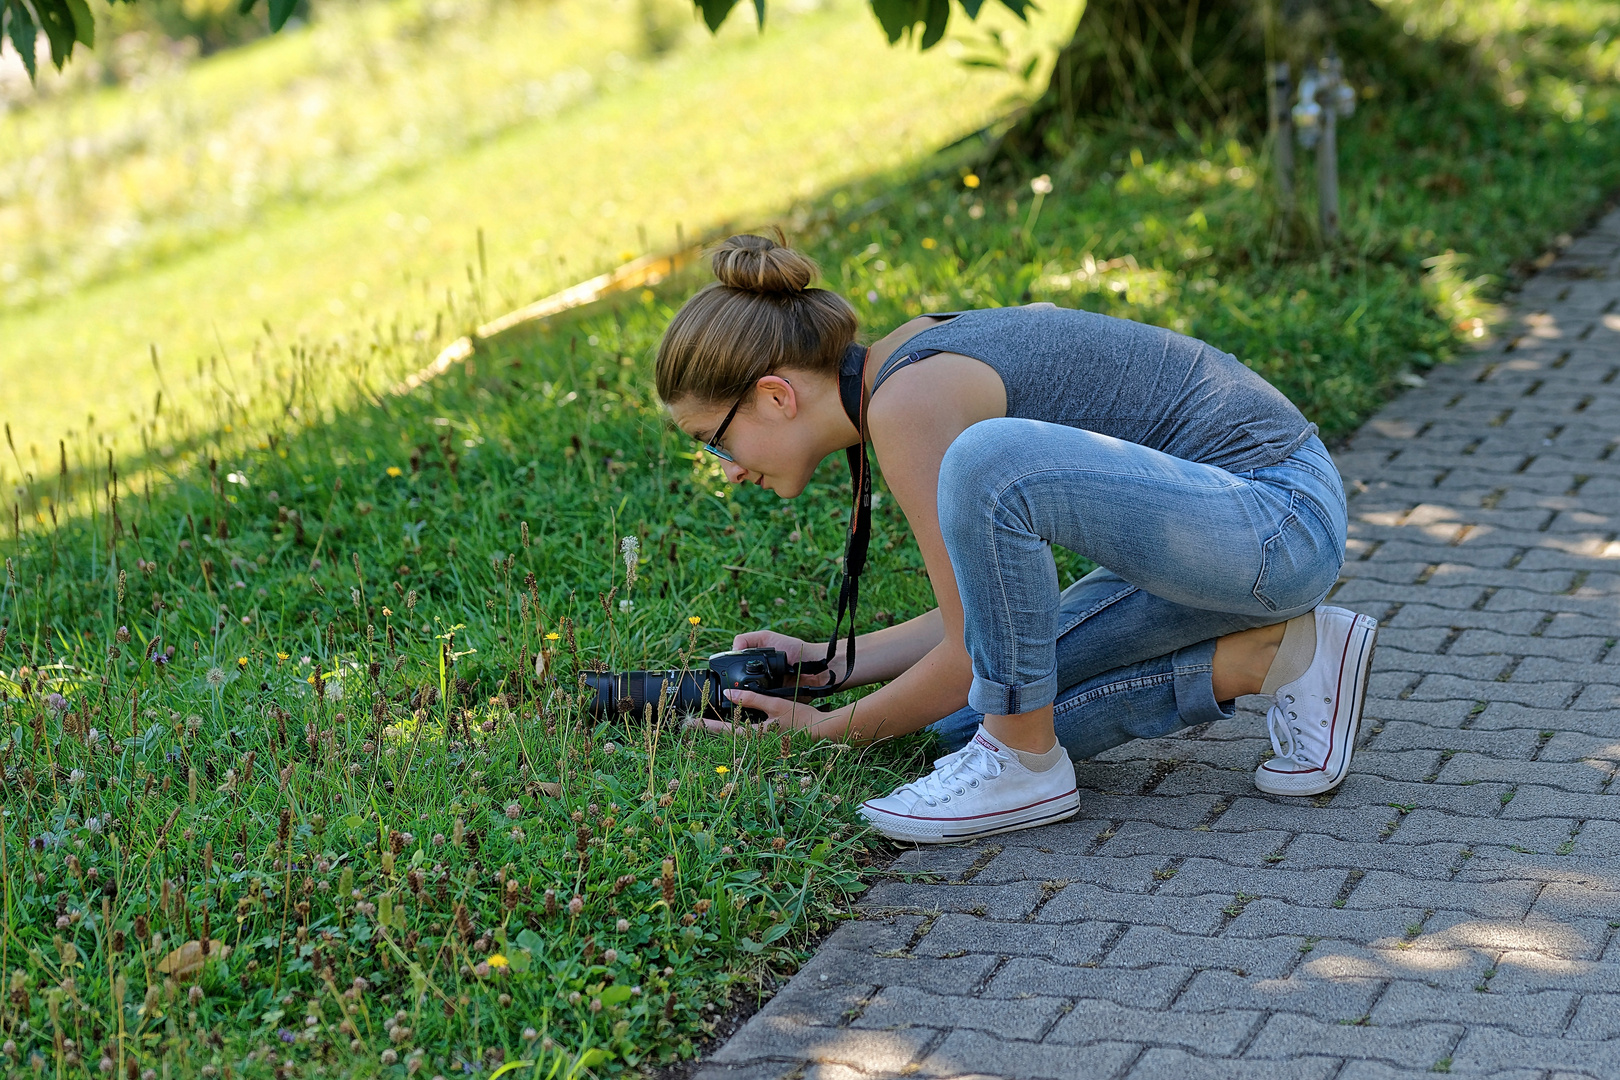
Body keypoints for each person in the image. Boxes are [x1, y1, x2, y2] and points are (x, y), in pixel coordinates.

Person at [657, 233, 1377, 845]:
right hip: (1228, 536)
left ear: (775, 396)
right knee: (963, 720)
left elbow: (967, 642)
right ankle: (1279, 658)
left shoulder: (908, 400)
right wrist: (824, 666)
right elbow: (976, 628)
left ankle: (1024, 767)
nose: (729, 471)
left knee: (988, 476)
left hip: (1275, 520)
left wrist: (823, 731)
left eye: (714, 443)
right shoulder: (898, 372)